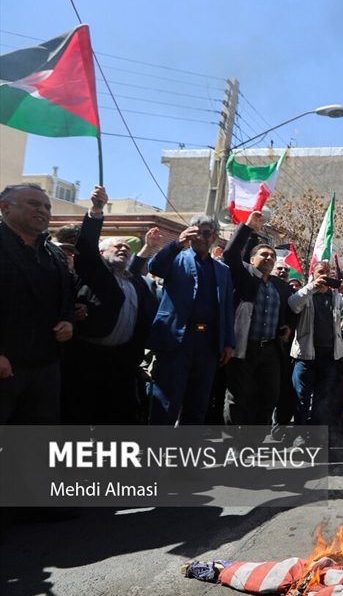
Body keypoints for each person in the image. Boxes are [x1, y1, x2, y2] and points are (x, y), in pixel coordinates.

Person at [67, 185, 158, 425]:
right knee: (81, 415)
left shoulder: (134, 282)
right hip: (86, 358)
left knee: (116, 417)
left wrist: (147, 249)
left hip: (120, 361)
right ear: (101, 252)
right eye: (117, 246)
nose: (123, 250)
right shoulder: (96, 272)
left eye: (127, 249)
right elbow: (85, 249)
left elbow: (136, 268)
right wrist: (96, 211)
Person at [146, 215, 236, 425]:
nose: (201, 238)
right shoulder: (176, 258)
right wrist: (177, 243)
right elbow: (154, 267)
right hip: (176, 341)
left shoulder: (223, 270)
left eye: (206, 233)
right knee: (166, 402)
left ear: (213, 237)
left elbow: (227, 308)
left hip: (208, 345)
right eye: (196, 232)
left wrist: (229, 343)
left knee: (198, 404)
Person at [0, 184, 74, 425]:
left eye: (47, 206)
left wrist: (68, 319)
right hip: (5, 364)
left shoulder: (55, 253)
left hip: (46, 366)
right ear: (5, 207)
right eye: (34, 203)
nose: (43, 210)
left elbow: (66, 297)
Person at [222, 211, 297, 439]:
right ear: (252, 260)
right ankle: (234, 444)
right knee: (238, 397)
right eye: (263, 254)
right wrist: (248, 228)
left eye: (272, 256)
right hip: (243, 349)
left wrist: (289, 326)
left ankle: (254, 444)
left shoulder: (280, 287)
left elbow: (293, 308)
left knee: (268, 397)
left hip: (271, 352)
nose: (269, 258)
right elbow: (230, 253)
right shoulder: (244, 276)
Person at [288, 260, 343, 443]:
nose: (325, 275)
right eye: (321, 272)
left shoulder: (335, 297)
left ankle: (317, 435)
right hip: (306, 356)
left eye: (328, 272)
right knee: (301, 397)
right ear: (312, 273)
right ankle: (301, 435)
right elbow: (293, 305)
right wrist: (311, 287)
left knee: (322, 398)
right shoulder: (306, 293)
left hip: (329, 357)